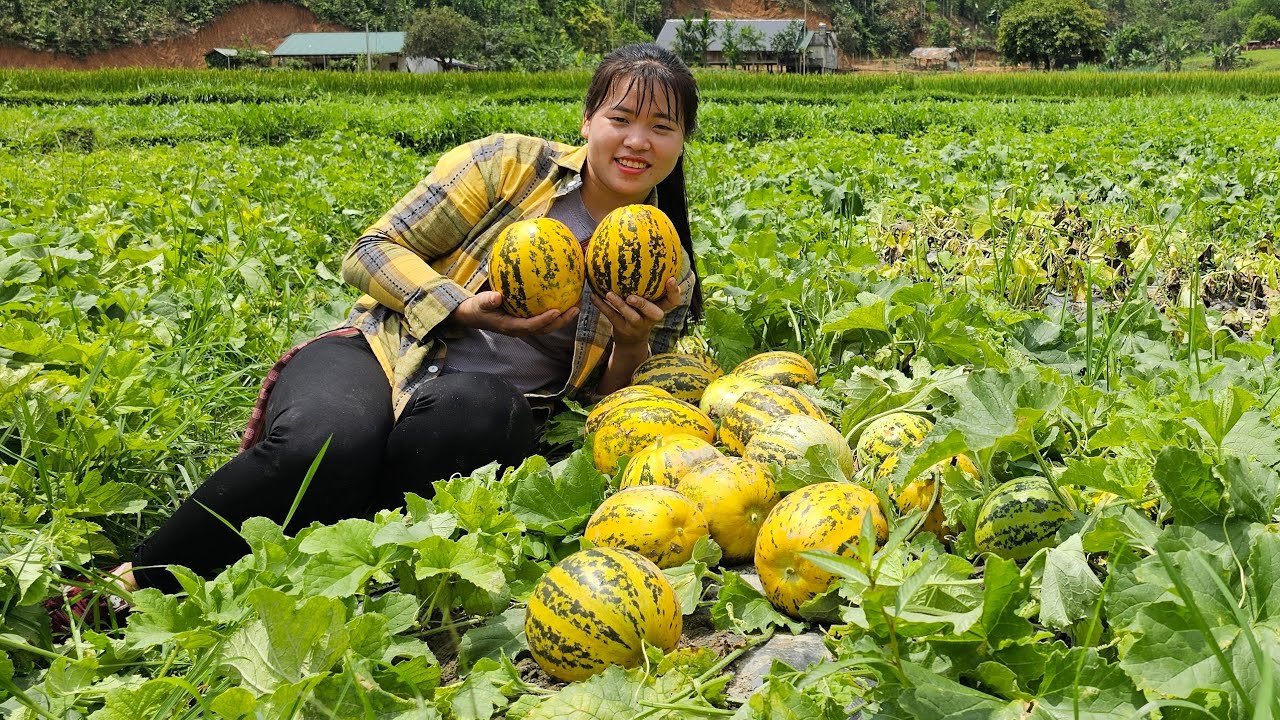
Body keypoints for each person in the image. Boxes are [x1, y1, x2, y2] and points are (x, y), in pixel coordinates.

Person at [46, 43, 704, 629]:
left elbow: (610, 414)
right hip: (383, 350)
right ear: (588, 120)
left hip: (484, 414)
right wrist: (456, 307)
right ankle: (135, 582)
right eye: (621, 118)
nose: (637, 140)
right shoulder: (505, 165)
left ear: (682, 142)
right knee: (322, 442)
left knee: (470, 410)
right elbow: (370, 249)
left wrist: (632, 343)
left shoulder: (665, 265)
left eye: (661, 127)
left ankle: (335, 565)